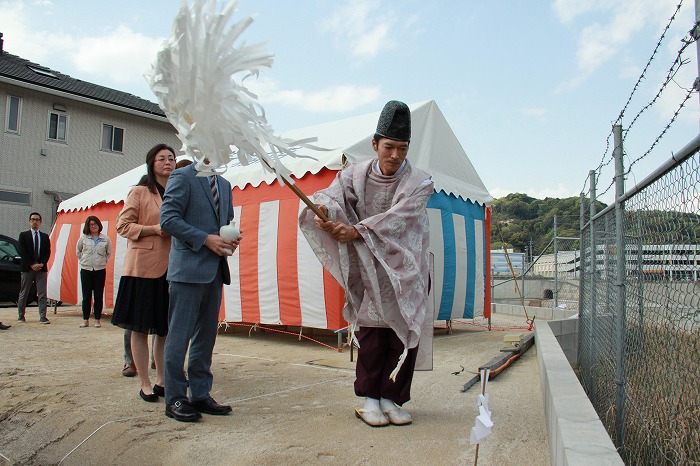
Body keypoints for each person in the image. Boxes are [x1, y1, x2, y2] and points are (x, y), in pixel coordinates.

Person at [299, 100, 434, 427]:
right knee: (373, 334)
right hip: (369, 268)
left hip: (406, 271)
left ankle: (392, 398)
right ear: (375, 144)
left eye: (402, 149)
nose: (395, 156)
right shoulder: (353, 174)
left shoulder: (420, 182)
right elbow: (329, 197)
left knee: (402, 334)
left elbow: (398, 220)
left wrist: (355, 230)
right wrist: (327, 215)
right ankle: (371, 399)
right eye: (388, 147)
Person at [160, 159, 238, 422]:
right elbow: (168, 220)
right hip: (187, 270)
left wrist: (230, 239)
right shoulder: (182, 176)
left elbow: (226, 222)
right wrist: (205, 239)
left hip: (215, 270)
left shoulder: (225, 184)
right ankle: (176, 398)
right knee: (179, 337)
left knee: (206, 337)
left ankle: (201, 393)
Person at [111, 144, 176, 403]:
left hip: (171, 267)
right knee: (139, 328)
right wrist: (153, 229)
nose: (168, 162)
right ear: (152, 163)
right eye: (162, 158)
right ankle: (145, 383)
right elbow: (122, 225)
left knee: (164, 329)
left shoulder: (178, 191)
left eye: (171, 158)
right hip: (142, 268)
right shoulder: (139, 192)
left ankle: (162, 380)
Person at [76, 216, 112, 328]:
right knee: (86, 296)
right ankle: (85, 319)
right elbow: (78, 251)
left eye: (95, 224)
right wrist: (83, 260)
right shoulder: (83, 238)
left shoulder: (105, 239)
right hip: (86, 269)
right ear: (88, 226)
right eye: (91, 224)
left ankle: (97, 319)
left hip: (100, 270)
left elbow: (108, 252)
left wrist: (102, 261)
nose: (93, 226)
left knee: (98, 295)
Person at [17, 212, 52, 324]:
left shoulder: (45, 237)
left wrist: (42, 263)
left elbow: (47, 252)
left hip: (41, 269)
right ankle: (21, 315)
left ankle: (43, 316)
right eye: (33, 219)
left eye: (37, 219)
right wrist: (31, 264)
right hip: (27, 268)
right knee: (24, 292)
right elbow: (22, 251)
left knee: (42, 293)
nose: (35, 222)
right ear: (29, 221)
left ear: (40, 222)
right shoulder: (23, 235)